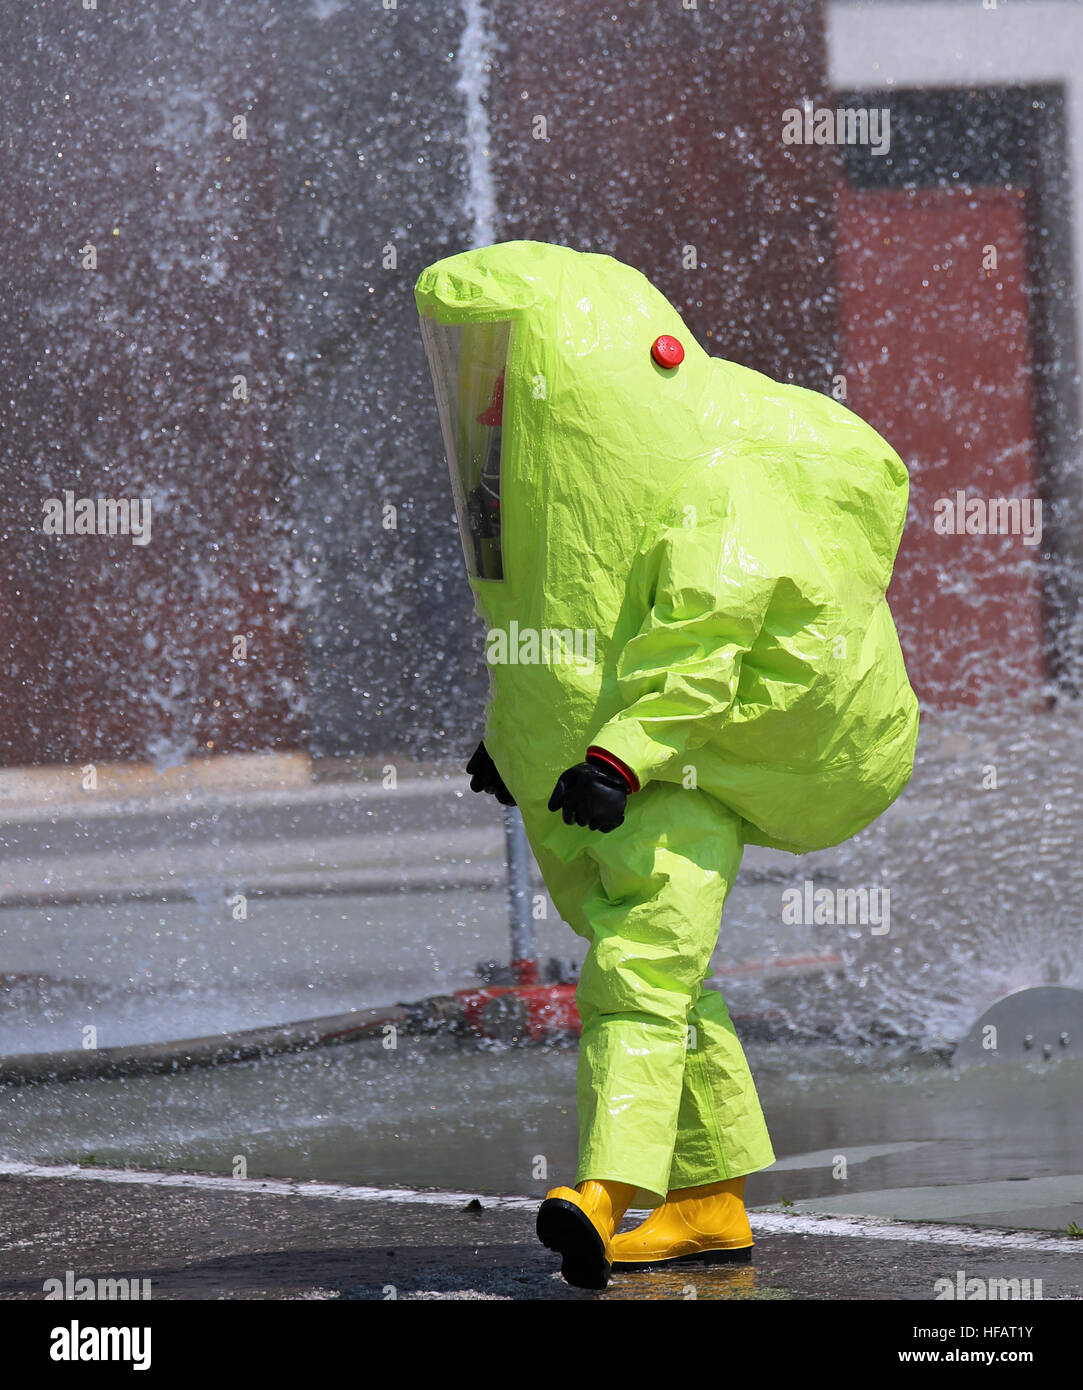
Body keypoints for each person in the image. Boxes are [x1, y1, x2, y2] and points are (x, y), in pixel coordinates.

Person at [416, 241, 918, 1289]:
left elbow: (701, 650)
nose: (488, 396)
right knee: (674, 988)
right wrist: (512, 747)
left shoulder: (708, 483)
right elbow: (553, 635)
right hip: (635, 777)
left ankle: (607, 1191)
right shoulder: (555, 492)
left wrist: (617, 756)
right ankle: (707, 1204)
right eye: (474, 367)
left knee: (638, 980)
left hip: (688, 771)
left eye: (502, 365)